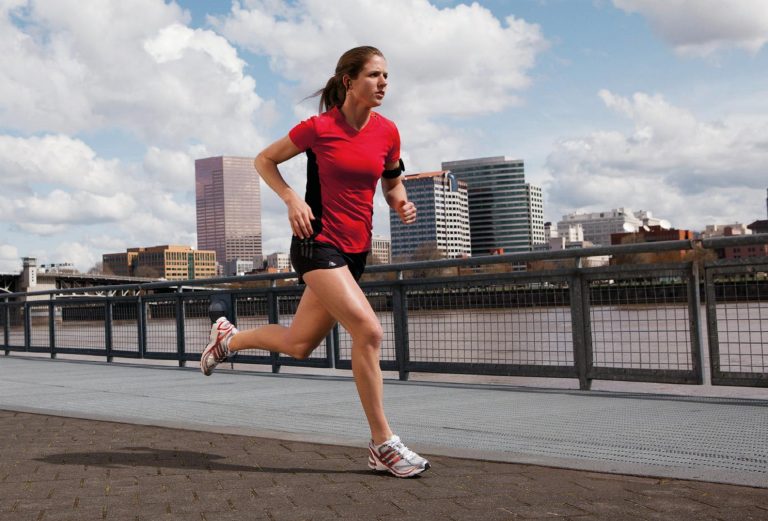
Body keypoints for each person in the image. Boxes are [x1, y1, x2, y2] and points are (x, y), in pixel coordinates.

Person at [200, 46, 430, 478]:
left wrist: (402, 205)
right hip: (316, 244)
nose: (383, 83)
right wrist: (291, 198)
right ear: (349, 81)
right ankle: (383, 444)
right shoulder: (319, 128)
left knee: (299, 345)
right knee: (369, 330)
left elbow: (392, 182)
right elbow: (263, 160)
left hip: (355, 252)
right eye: (375, 75)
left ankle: (227, 340)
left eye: (387, 77)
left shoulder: (388, 132)